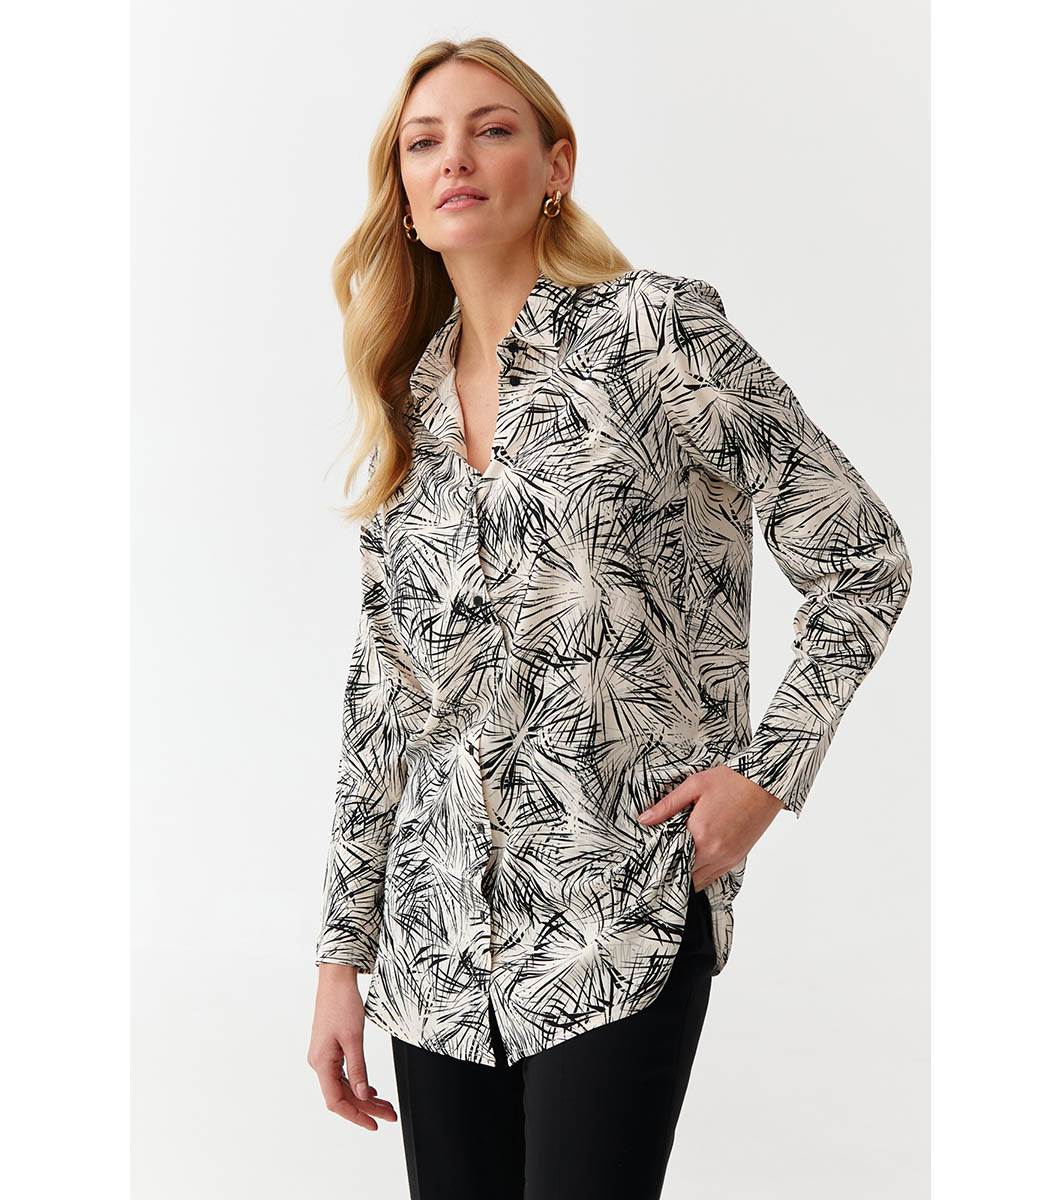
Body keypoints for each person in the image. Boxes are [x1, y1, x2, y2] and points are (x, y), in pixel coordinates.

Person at [306, 36, 914, 1200]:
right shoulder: (408, 405)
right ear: (405, 198)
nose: (454, 158)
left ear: (556, 166)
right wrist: (342, 955)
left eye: (491, 129)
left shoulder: (655, 332)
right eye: (423, 143)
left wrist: (766, 778)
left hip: (620, 906)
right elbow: (383, 700)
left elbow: (861, 558)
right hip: (434, 943)